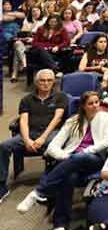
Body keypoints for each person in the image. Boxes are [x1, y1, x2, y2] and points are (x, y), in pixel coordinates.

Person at [16, 92, 108, 228]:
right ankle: (60, 224)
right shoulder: (73, 121)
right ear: (83, 106)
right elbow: (52, 147)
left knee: (80, 158)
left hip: (95, 159)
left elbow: (107, 141)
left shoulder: (106, 117)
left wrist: (85, 151)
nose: (95, 106)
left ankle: (39, 192)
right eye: (91, 103)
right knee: (69, 178)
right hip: (72, 161)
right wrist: (66, 157)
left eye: (97, 102)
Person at [0, 69, 68, 202]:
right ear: (36, 82)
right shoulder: (26, 99)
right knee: (3, 146)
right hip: (30, 133)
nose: (46, 83)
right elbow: (23, 121)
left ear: (53, 82)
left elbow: (57, 119)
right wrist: (27, 140)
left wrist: (43, 138)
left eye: (49, 80)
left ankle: (48, 186)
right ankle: (1, 185)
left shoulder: (60, 96)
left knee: (53, 146)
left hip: (51, 133)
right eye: (42, 80)